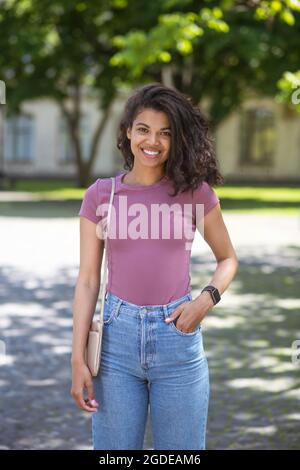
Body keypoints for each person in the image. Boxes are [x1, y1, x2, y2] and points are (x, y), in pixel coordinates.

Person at [71, 82, 239, 450]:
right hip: (117, 342)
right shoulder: (101, 194)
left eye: (165, 133)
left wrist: (204, 301)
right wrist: (77, 358)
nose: (153, 141)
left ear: (176, 139)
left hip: (177, 339)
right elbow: (87, 281)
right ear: (128, 131)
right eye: (144, 129)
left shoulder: (195, 193)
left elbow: (228, 258)